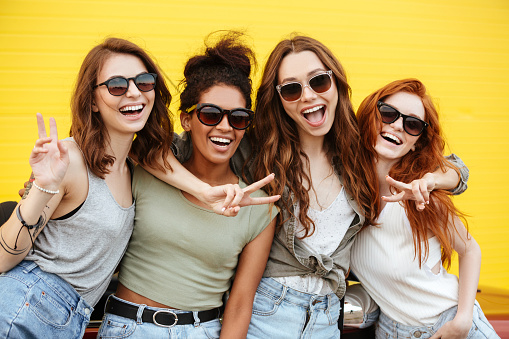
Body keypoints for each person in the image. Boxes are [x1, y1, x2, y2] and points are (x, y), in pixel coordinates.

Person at [152, 34, 468, 338]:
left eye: (318, 81)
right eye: (291, 89)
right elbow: (149, 150)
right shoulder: (258, 150)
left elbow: (456, 169)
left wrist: (435, 180)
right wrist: (201, 189)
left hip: (328, 317)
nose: (308, 95)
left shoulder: (358, 151)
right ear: (279, 100)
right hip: (267, 311)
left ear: (335, 83)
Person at [0, 37, 276, 339]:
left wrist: (202, 190)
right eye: (117, 85)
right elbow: (6, 256)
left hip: (76, 321)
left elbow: (156, 156)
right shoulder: (88, 163)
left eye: (144, 82)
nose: (133, 92)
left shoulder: (135, 166)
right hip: (36, 309)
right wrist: (42, 188)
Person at [97, 32, 278, 339]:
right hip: (128, 327)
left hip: (201, 330)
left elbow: (239, 305)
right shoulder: (145, 168)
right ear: (186, 119)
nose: (224, 127)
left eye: (238, 118)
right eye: (210, 114)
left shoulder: (258, 206)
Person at [350, 78, 499, 338]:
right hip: (390, 330)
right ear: (371, 115)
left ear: (417, 142)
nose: (397, 125)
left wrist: (462, 321)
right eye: (387, 113)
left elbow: (470, 248)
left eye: (412, 124)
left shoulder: (420, 195)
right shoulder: (347, 195)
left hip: (448, 323)